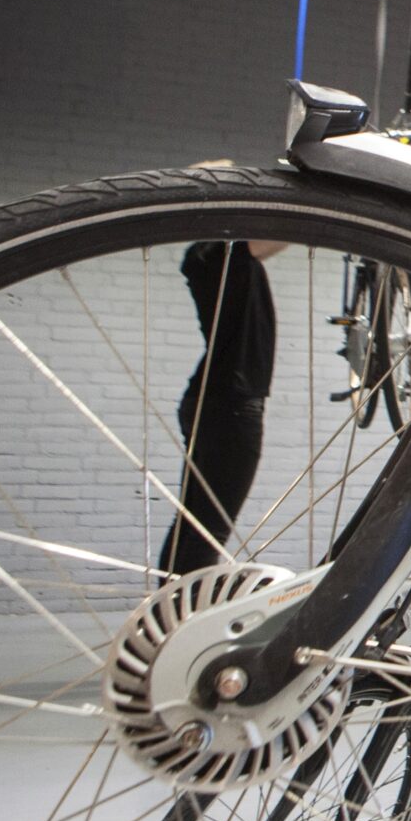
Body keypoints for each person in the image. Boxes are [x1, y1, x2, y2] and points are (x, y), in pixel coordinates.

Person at [161, 237, 288, 576]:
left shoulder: (207, 257)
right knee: (209, 529)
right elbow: (279, 235)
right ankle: (182, 617)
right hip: (232, 404)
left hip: (213, 398)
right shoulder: (222, 253)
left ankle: (165, 612)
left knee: (192, 522)